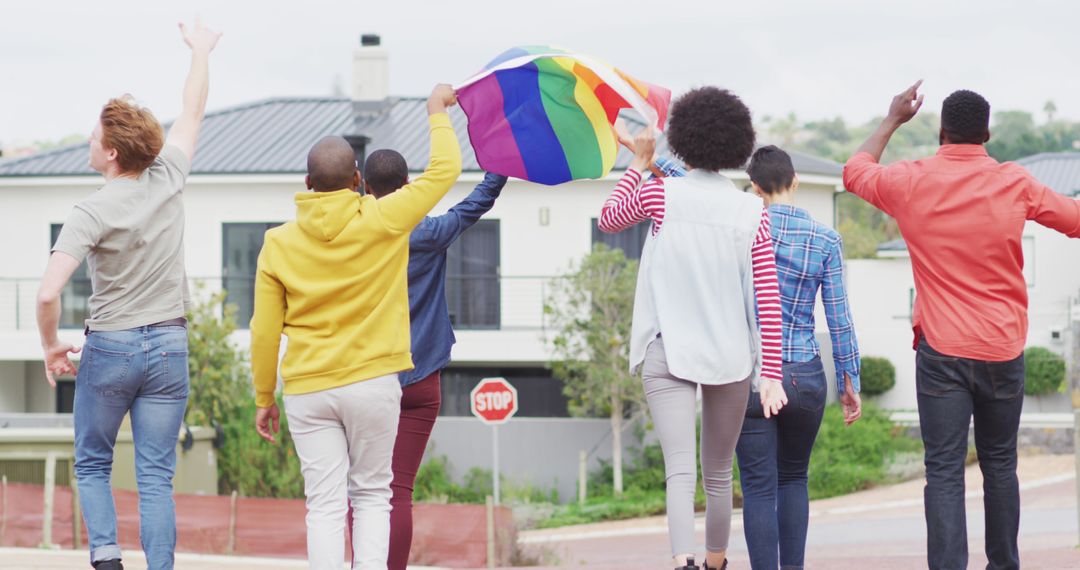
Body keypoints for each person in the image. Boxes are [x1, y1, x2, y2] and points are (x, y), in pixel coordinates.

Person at [843, 82, 1080, 570]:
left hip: (942, 352)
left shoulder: (911, 181)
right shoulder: (1016, 183)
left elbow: (854, 172)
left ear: (941, 131)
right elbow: (1076, 220)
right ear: (987, 133)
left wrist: (891, 119)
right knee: (1001, 466)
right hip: (1001, 347)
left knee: (945, 472)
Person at [249, 84, 462, 570]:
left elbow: (264, 330)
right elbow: (445, 171)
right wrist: (434, 110)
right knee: (372, 496)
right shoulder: (384, 217)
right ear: (358, 180)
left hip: (308, 386)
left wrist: (264, 397)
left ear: (307, 183)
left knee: (323, 504)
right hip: (372, 382)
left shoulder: (276, 243)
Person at [35, 19, 220, 570]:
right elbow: (193, 110)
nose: (89, 142)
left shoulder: (90, 211)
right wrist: (201, 51)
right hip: (169, 345)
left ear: (112, 152)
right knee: (156, 475)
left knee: (92, 463)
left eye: (94, 137)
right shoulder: (169, 176)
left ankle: (108, 558)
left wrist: (50, 347)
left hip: (111, 347)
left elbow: (48, 295)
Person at [598, 87, 787, 570]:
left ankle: (683, 561)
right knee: (720, 474)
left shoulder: (661, 194)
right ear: (738, 145)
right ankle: (716, 562)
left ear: (683, 139)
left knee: (678, 471)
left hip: (667, 350)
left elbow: (610, 219)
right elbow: (768, 298)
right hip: (730, 356)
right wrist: (771, 372)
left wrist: (639, 163)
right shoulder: (752, 212)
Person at [360, 151, 507, 569]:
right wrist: (502, 163)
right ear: (408, 185)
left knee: (365, 489)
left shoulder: (357, 232)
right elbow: (478, 201)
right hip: (422, 380)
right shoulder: (429, 232)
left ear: (365, 186)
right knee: (399, 490)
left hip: (371, 375)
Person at [735, 145, 863, 570]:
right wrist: (850, 379)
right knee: (794, 478)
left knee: (757, 488)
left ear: (754, 189)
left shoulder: (741, 231)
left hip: (751, 375)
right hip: (805, 374)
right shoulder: (826, 239)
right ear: (795, 182)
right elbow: (840, 319)